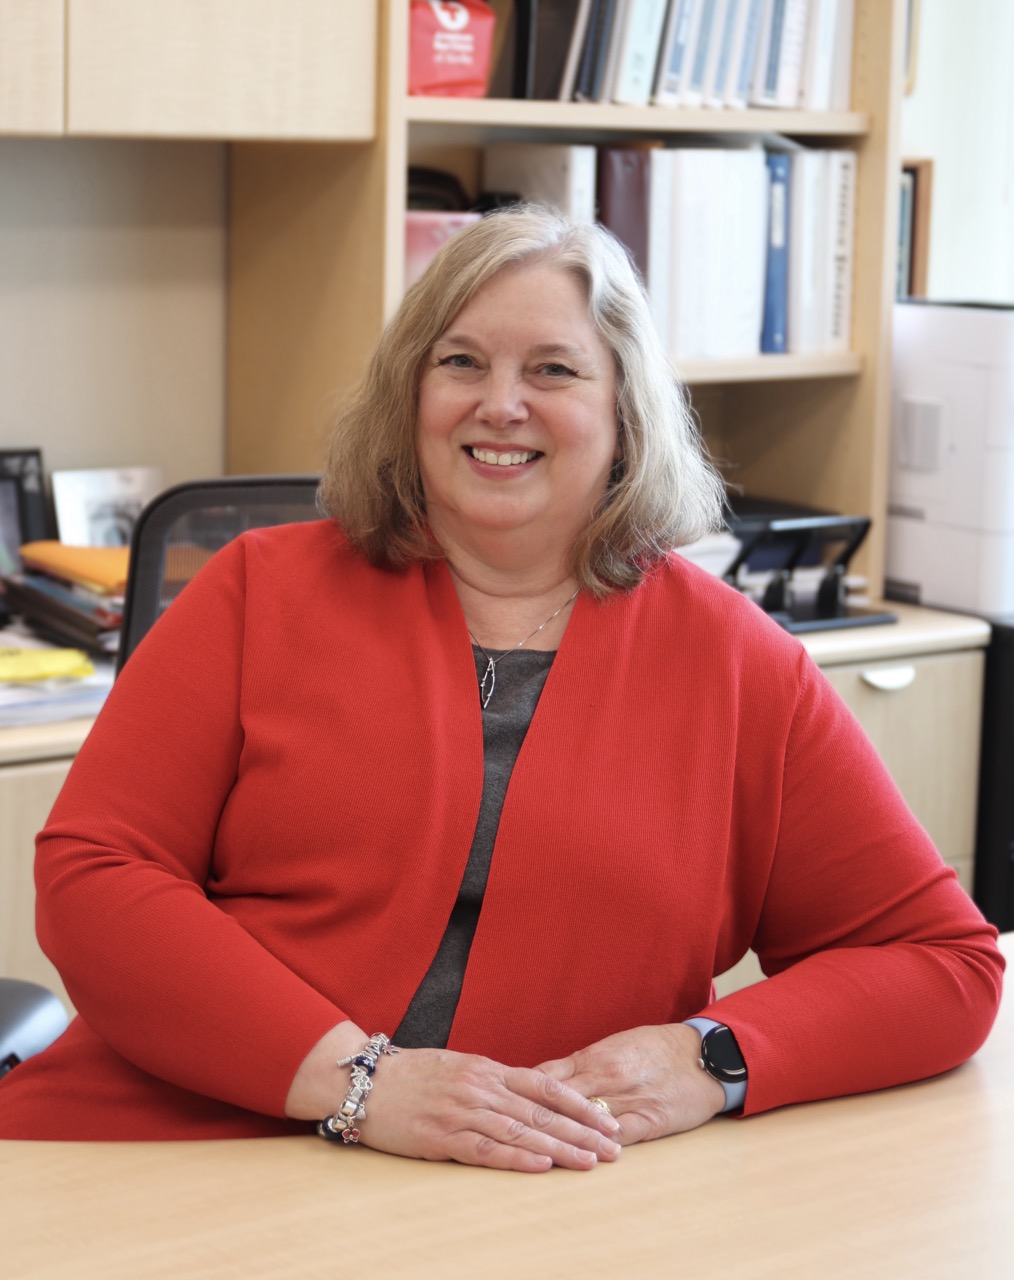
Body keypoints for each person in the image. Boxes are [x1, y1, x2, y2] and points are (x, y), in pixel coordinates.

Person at [0, 205, 1003, 1170]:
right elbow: (95, 874)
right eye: (461, 363)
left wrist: (710, 1056)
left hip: (537, 1193)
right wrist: (361, 1083)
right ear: (411, 394)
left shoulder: (738, 663)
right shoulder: (257, 591)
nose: (500, 404)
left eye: (553, 369)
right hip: (182, 1145)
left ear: (625, 411)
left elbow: (940, 961)